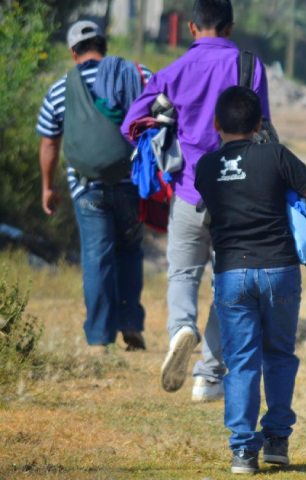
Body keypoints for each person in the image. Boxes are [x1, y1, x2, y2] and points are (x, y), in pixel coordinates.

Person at [122, 0, 272, 401]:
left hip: (189, 192)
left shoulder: (174, 72)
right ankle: (208, 375)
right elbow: (264, 129)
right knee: (229, 284)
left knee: (183, 274)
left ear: (190, 28)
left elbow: (131, 124)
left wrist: (167, 124)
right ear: (230, 27)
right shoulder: (249, 66)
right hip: (238, 200)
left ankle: (180, 330)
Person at [194, 86, 306, 474]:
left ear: (216, 124)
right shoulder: (275, 155)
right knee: (279, 355)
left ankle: (243, 452)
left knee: (241, 362)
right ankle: (276, 441)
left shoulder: (205, 167)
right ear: (260, 123)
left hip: (231, 274)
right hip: (279, 270)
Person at [37, 20, 151, 354]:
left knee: (97, 257)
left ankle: (99, 338)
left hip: (87, 187)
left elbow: (49, 143)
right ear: (104, 45)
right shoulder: (135, 73)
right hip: (131, 182)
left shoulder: (60, 88)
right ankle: (129, 322)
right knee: (130, 250)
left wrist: (47, 187)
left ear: (73, 53)